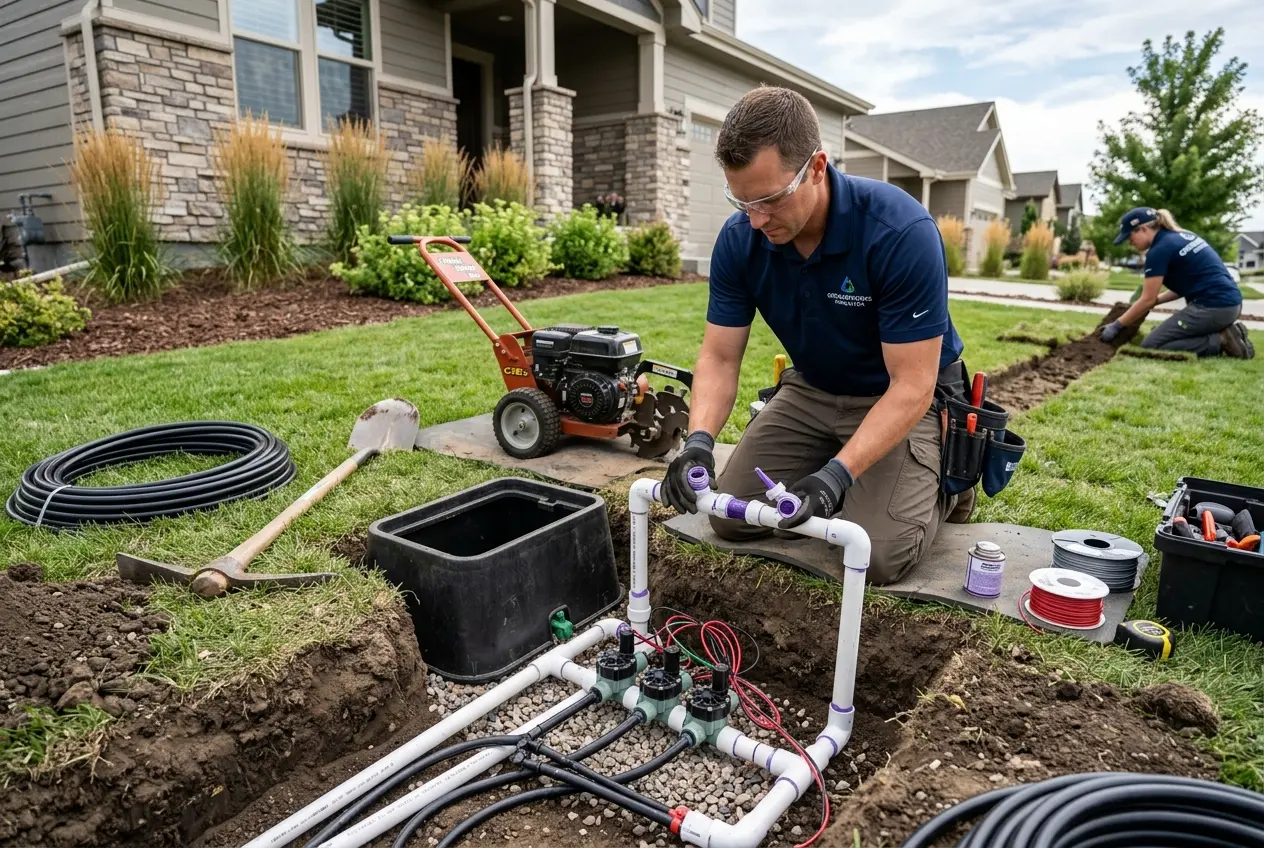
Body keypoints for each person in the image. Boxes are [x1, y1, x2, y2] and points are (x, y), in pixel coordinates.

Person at [660, 85, 971, 586]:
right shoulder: (742, 240)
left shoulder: (898, 231)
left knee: (879, 556)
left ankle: (943, 485)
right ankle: (845, 463)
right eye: (741, 201)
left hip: (895, 395)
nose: (756, 219)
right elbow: (719, 358)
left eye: (770, 199)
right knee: (730, 517)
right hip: (814, 388)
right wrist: (697, 441)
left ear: (818, 168)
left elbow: (913, 384)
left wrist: (834, 478)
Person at [1101, 207, 1253, 358]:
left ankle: (1221, 340)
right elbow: (1184, 286)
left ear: (1143, 229)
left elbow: (1147, 299)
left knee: (1152, 345)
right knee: (1161, 333)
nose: (1130, 243)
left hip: (1213, 308)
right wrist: (1157, 301)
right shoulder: (1182, 235)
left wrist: (1117, 325)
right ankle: (1227, 332)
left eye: (1130, 237)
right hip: (1231, 305)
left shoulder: (1159, 250)